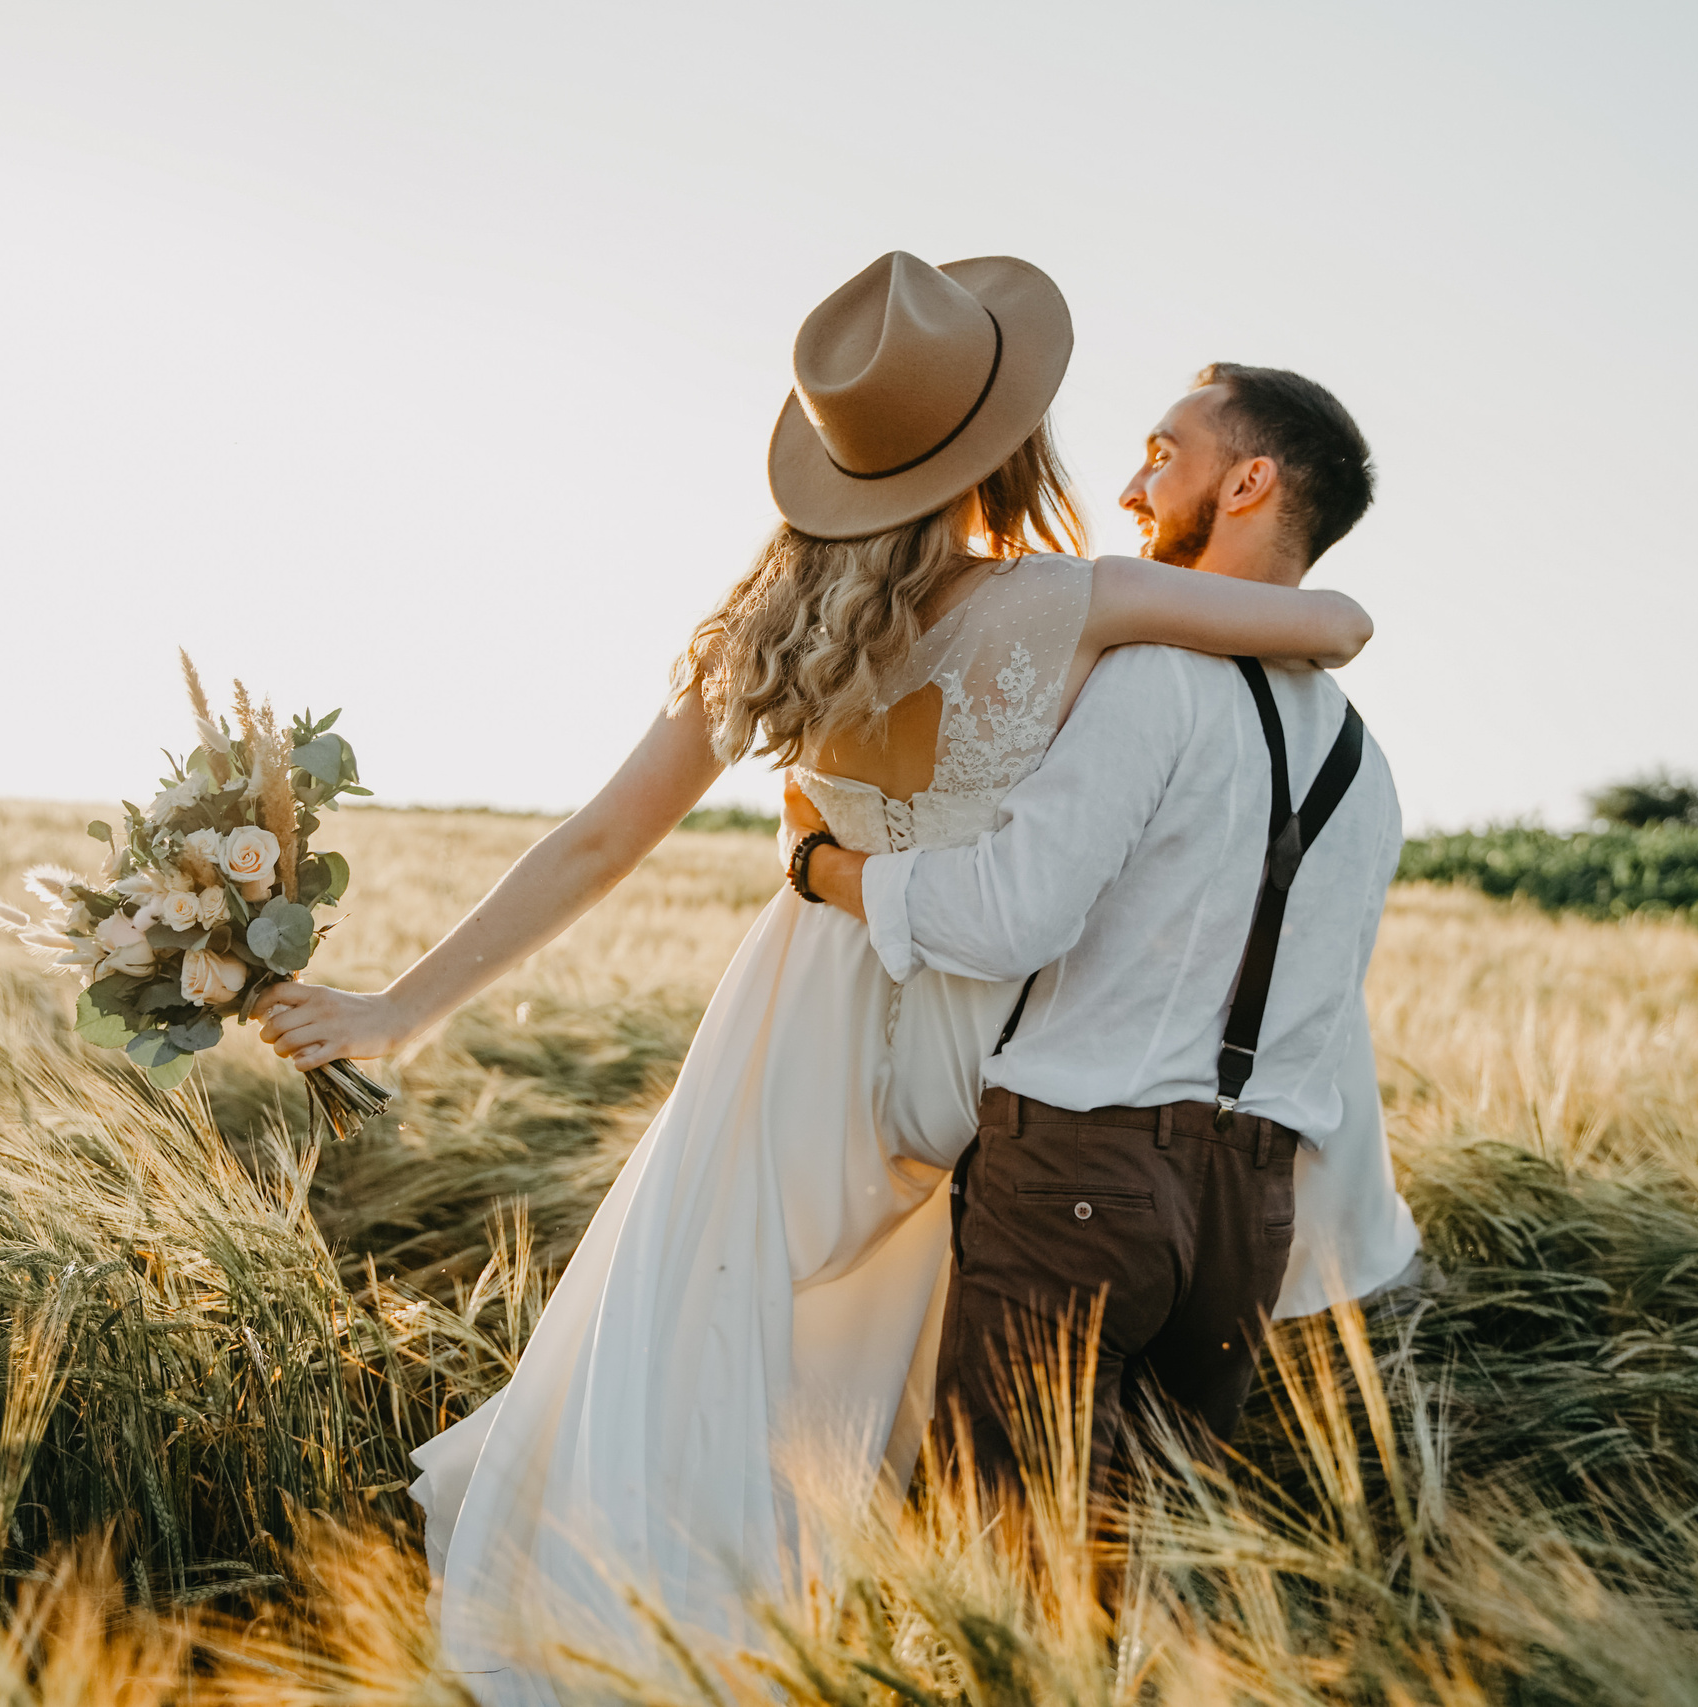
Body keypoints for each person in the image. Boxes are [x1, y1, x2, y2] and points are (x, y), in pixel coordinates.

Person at [252, 253, 1377, 1685]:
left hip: (801, 1008)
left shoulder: (773, 624)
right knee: (897, 1373)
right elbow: (1332, 627)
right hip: (983, 1033)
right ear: (1014, 437)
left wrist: (399, 1006)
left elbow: (600, 840)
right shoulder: (1070, 600)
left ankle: (645, 1635)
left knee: (719, 1326)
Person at [789, 361, 1421, 1503]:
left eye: (1165, 451)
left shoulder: (1148, 680)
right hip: (1249, 1217)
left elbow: (1004, 920)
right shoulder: (1365, 764)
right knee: (1137, 1574)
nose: (1133, 484)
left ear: (1250, 482)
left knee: (1000, 1551)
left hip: (1079, 1178)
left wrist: (824, 868)